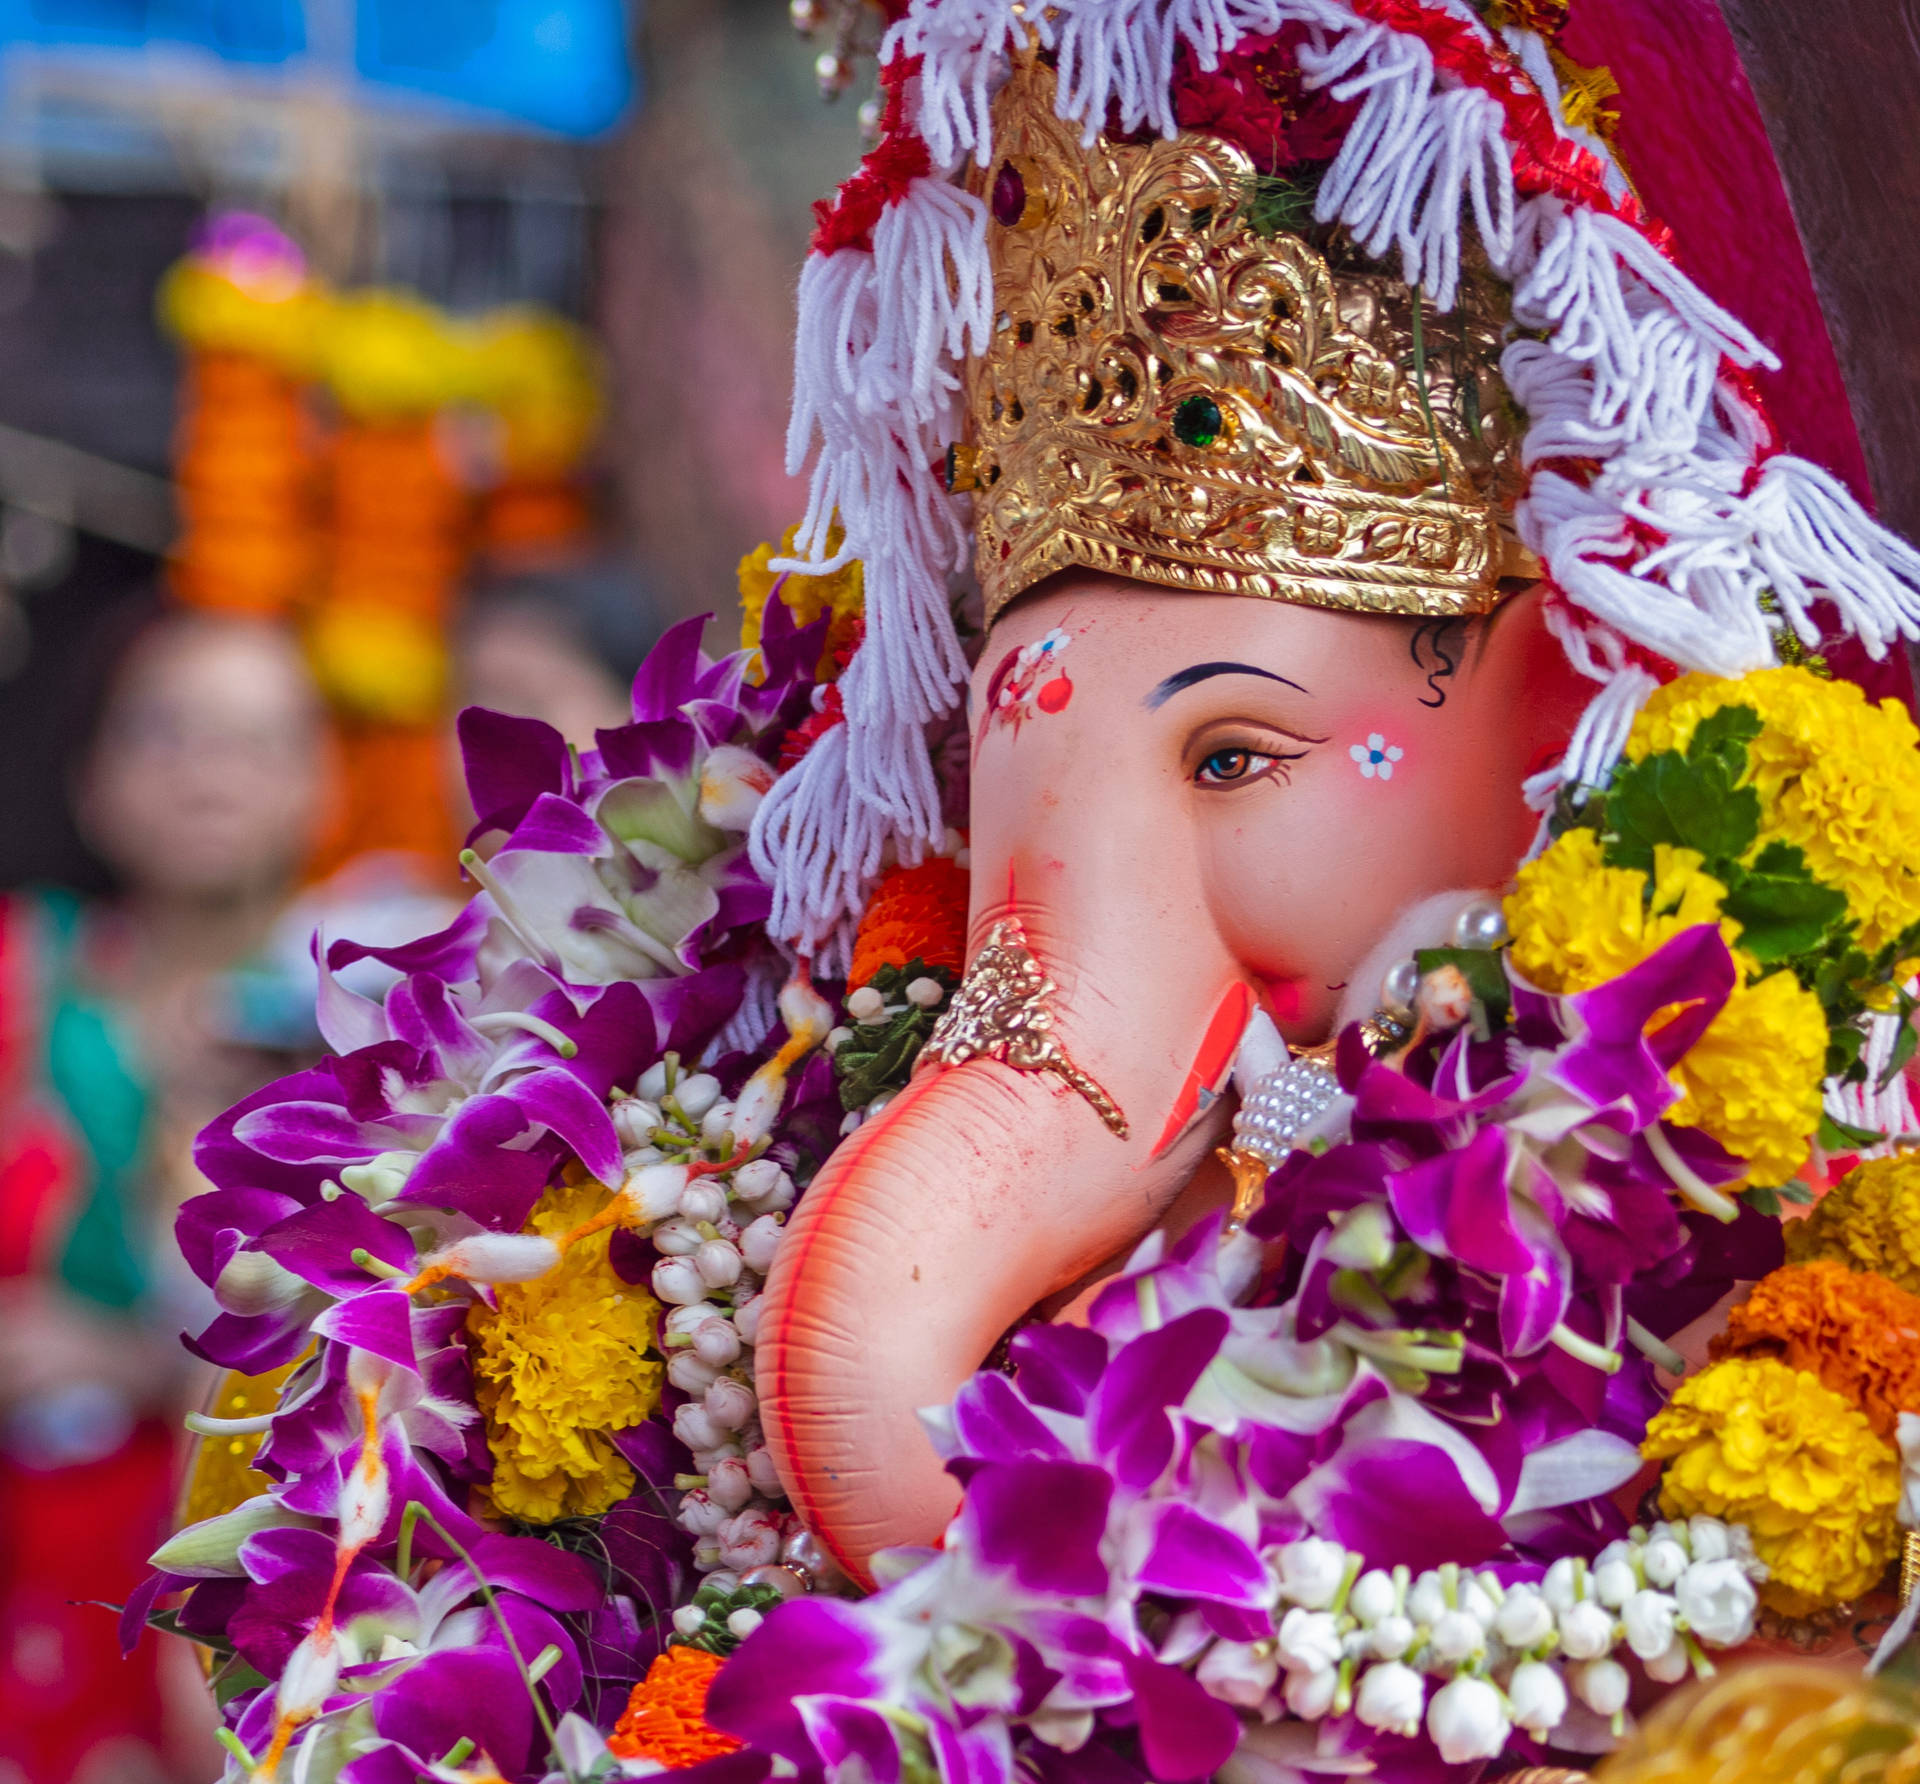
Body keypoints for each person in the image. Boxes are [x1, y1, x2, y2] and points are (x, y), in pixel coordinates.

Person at [0, 607, 330, 1784]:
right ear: (91, 778)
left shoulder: (363, 1027)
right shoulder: (20, 975)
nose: (208, 775)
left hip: (244, 1576)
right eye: (167, 734)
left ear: (320, 784)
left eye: (254, 740)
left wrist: (134, 1360)